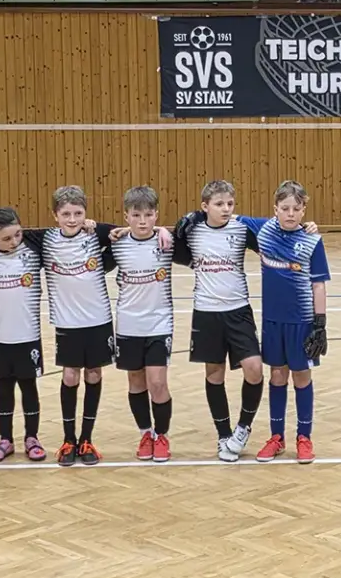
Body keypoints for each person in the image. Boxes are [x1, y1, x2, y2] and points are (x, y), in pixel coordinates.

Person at [174, 180, 264, 462]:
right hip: (206, 312)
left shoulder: (241, 229)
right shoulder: (194, 231)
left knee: (254, 369)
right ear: (204, 207)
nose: (225, 209)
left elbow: (275, 232)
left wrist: (307, 227)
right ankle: (223, 434)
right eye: (218, 204)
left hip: (238, 310)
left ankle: (243, 427)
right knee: (214, 374)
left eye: (229, 203)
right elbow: (170, 246)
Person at [242, 181, 330, 464]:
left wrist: (320, 323)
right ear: (275, 209)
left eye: (296, 208)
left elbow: (319, 286)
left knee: (301, 376)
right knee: (277, 376)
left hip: (302, 322)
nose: (290, 213)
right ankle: (276, 437)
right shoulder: (262, 230)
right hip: (272, 322)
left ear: (304, 210)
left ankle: (304, 437)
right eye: (284, 208)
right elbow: (224, 218)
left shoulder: (312, 241)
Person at [42, 186, 118, 467]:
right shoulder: (47, 240)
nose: (72, 219)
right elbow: (10, 236)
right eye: (65, 214)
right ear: (55, 215)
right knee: (71, 376)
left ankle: (86, 438)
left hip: (98, 319)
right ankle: (68, 439)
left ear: (86, 214)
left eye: (78, 213)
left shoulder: (95, 235)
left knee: (94, 375)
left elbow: (123, 231)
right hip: (66, 322)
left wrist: (97, 226)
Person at [107, 187, 176, 463]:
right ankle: (145, 433)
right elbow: (90, 235)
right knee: (136, 382)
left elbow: (193, 227)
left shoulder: (166, 244)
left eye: (149, 215)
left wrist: (166, 230)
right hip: (127, 326)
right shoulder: (116, 244)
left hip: (159, 324)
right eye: (136, 215)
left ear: (156, 215)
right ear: (126, 217)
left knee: (157, 383)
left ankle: (162, 435)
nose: (143, 221)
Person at [0, 204, 46, 463]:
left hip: (27, 336)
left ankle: (32, 437)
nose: (14, 241)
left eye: (17, 234)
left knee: (29, 387)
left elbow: (67, 229)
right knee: (4, 388)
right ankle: (5, 439)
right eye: (5, 238)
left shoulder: (34, 247)